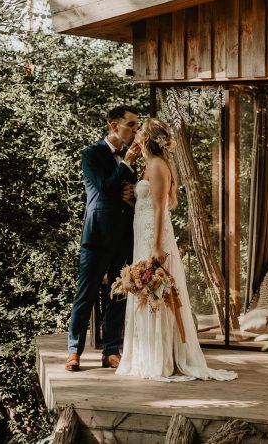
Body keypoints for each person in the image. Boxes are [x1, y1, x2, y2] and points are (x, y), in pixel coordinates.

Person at [116, 118, 237, 382]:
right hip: (143, 230)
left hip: (153, 235)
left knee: (157, 291)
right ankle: (147, 354)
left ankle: (161, 358)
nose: (135, 135)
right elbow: (151, 203)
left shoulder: (159, 166)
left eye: (139, 132)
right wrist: (134, 198)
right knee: (146, 292)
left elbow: (161, 208)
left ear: (147, 139)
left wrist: (158, 244)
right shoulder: (148, 166)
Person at [66, 106, 141, 371]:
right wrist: (128, 163)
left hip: (124, 234)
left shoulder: (130, 158)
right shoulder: (91, 154)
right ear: (113, 125)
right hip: (97, 234)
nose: (135, 130)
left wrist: (132, 193)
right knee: (85, 293)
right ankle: (74, 351)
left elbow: (125, 192)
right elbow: (104, 186)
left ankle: (111, 350)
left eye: (136, 125)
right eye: (131, 124)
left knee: (118, 294)